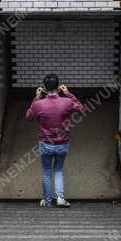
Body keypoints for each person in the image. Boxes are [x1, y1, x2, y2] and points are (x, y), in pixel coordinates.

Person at [25, 74, 84, 208]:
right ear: (59, 87)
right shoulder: (66, 102)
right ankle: (60, 199)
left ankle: (47, 200)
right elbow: (80, 108)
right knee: (58, 170)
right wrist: (68, 94)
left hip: (45, 144)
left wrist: (36, 98)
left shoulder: (39, 105)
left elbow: (28, 117)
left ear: (44, 88)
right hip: (62, 144)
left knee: (46, 172)